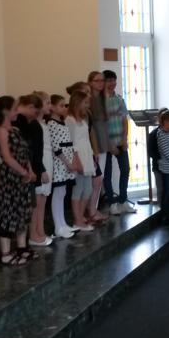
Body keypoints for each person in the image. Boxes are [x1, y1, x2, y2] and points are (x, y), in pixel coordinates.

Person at [0, 96, 37, 264]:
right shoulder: (1, 131)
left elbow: (24, 153)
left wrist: (30, 170)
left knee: (22, 211)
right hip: (10, 177)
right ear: (5, 111)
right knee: (8, 212)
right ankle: (5, 253)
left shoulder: (15, 130)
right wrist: (23, 172)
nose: (17, 112)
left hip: (22, 176)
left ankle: (21, 247)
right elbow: (7, 157)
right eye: (15, 109)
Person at [103, 70, 136, 214]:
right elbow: (100, 125)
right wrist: (109, 144)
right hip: (106, 143)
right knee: (107, 174)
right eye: (109, 80)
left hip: (120, 141)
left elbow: (124, 120)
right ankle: (111, 203)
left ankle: (123, 201)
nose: (112, 83)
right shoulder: (99, 101)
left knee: (125, 169)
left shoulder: (119, 99)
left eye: (114, 80)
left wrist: (124, 139)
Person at [24, 92, 54, 247]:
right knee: (36, 202)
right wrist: (40, 170)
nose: (50, 106)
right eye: (47, 102)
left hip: (47, 161)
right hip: (39, 163)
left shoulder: (44, 123)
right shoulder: (34, 125)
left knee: (43, 200)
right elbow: (35, 151)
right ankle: (33, 234)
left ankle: (40, 231)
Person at [46, 94, 78, 239]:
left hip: (67, 161)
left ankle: (63, 223)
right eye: (61, 105)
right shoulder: (51, 124)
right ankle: (58, 226)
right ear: (52, 107)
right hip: (60, 162)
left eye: (65, 105)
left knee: (63, 193)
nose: (64, 108)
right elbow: (56, 147)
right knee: (58, 193)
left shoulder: (62, 122)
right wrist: (68, 162)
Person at [66, 86, 96, 232]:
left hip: (86, 155)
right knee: (78, 189)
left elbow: (86, 139)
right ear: (77, 103)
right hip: (78, 157)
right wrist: (77, 161)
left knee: (88, 189)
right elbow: (72, 143)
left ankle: (80, 216)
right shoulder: (70, 120)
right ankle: (77, 220)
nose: (87, 105)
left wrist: (92, 157)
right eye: (85, 103)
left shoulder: (83, 120)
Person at [86, 71, 111, 220]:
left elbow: (105, 124)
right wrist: (94, 147)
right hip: (93, 143)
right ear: (90, 82)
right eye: (97, 81)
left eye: (102, 80)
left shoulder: (103, 99)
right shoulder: (88, 100)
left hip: (103, 141)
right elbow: (90, 127)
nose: (101, 83)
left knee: (99, 179)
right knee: (94, 179)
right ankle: (91, 210)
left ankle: (93, 209)